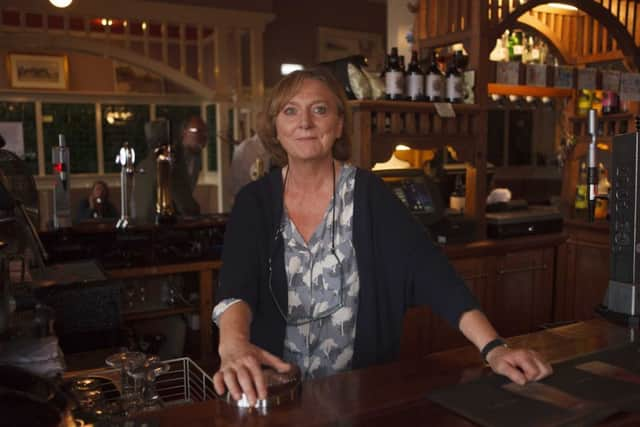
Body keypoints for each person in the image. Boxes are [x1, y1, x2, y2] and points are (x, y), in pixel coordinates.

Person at [212, 68, 552, 406]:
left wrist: (494, 348)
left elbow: (432, 273)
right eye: (290, 111)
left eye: (319, 109)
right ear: (275, 125)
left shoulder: (370, 194)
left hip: (359, 395)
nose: (305, 122)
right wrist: (234, 344)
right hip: (275, 394)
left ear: (339, 124)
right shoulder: (254, 202)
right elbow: (236, 287)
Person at [132, 115, 207, 222]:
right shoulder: (166, 164)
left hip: (141, 226)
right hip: (161, 228)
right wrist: (195, 212)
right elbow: (184, 203)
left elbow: (134, 205)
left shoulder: (142, 165)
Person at [228, 114, 271, 202]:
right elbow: (239, 185)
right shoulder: (246, 149)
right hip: (248, 202)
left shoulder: (274, 148)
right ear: (259, 129)